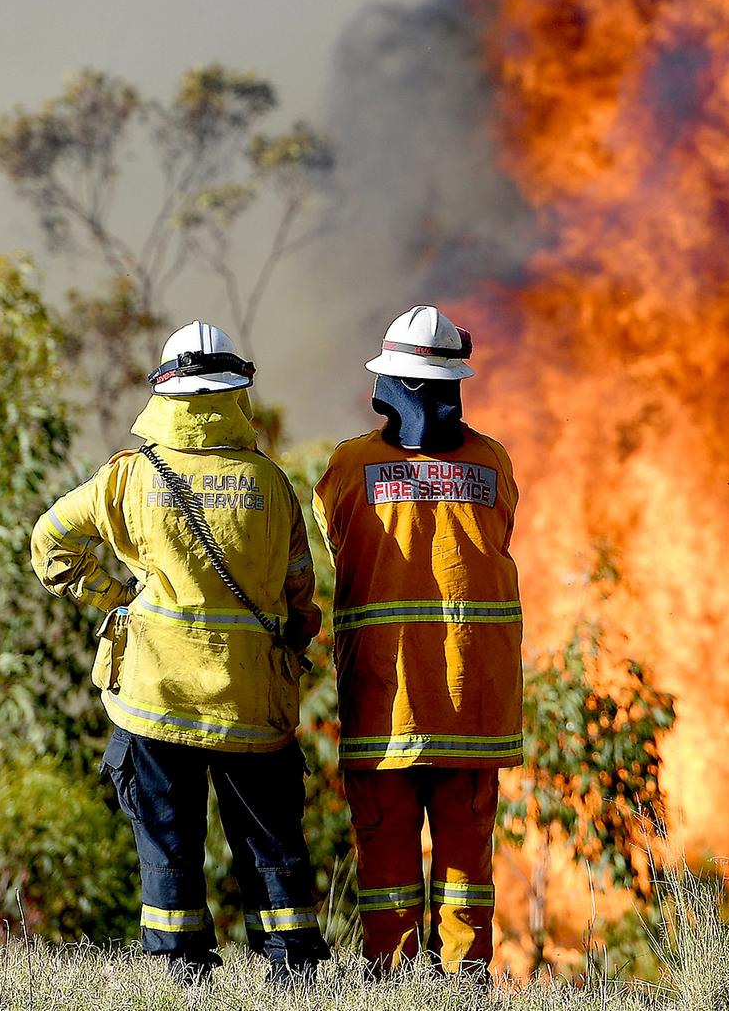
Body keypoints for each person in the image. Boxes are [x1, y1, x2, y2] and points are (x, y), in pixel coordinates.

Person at [30, 320, 328, 985]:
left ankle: (179, 980)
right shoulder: (270, 483)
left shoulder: (130, 478)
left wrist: (113, 599)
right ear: (236, 394)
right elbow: (301, 594)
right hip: (250, 706)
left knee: (167, 846)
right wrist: (291, 629)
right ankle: (295, 978)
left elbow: (49, 541)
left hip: (154, 699)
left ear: (166, 396)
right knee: (272, 847)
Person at [315, 305, 522, 976]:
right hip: (473, 711)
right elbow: (502, 532)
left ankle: (392, 983)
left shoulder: (349, 466)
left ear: (392, 384)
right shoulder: (492, 461)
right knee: (467, 865)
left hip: (386, 708)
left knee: (387, 866)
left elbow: (335, 544)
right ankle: (464, 985)